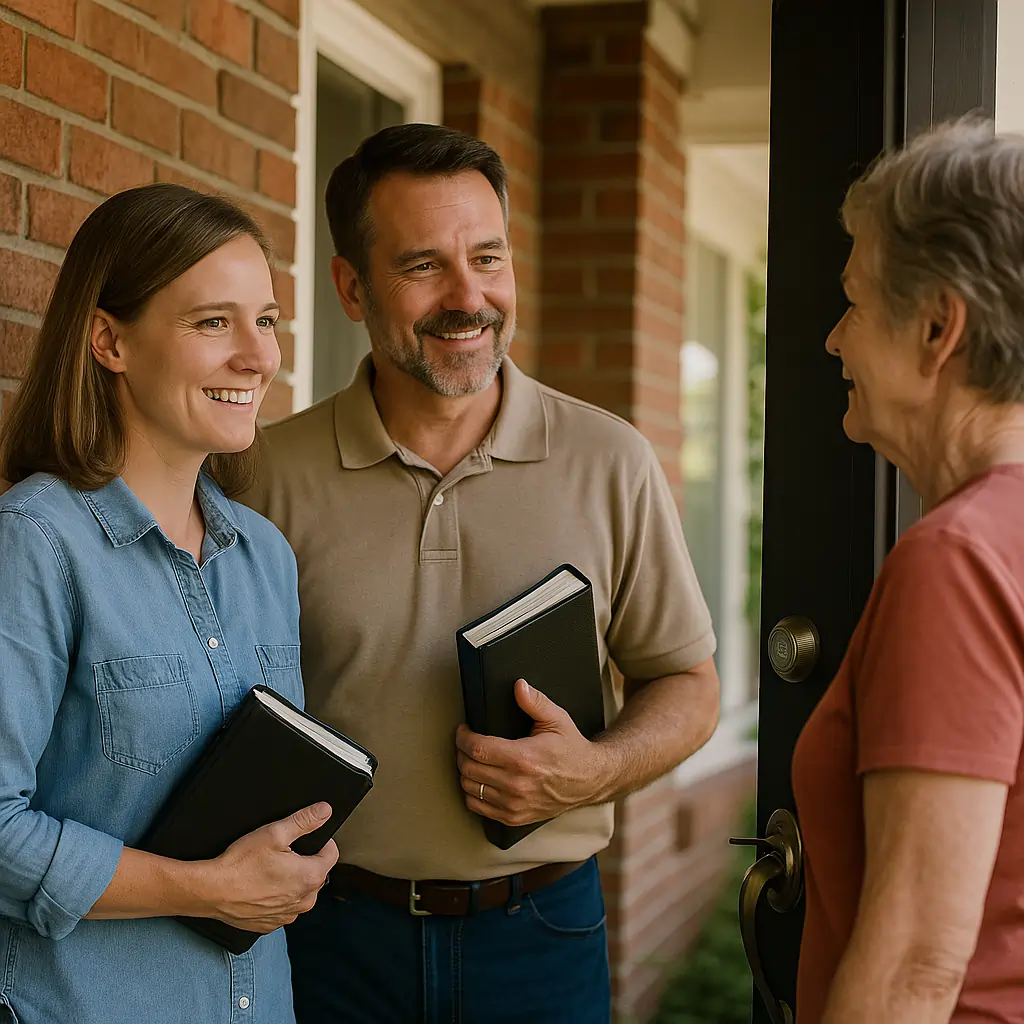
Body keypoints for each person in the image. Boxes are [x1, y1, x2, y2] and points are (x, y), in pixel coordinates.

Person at [242, 123, 720, 1023]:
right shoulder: (264, 475)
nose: (470, 298)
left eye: (488, 258)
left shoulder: (610, 460)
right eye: (424, 265)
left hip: (540, 932)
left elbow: (688, 683)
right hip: (328, 935)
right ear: (351, 285)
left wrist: (595, 770)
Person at [0, 183, 338, 1024]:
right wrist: (205, 889)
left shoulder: (265, 555)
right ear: (110, 339)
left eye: (266, 321)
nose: (258, 357)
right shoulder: (36, 543)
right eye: (212, 322)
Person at [793, 118, 1024, 1023]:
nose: (834, 340)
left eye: (853, 301)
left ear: (937, 328)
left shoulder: (957, 564)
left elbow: (914, 970)